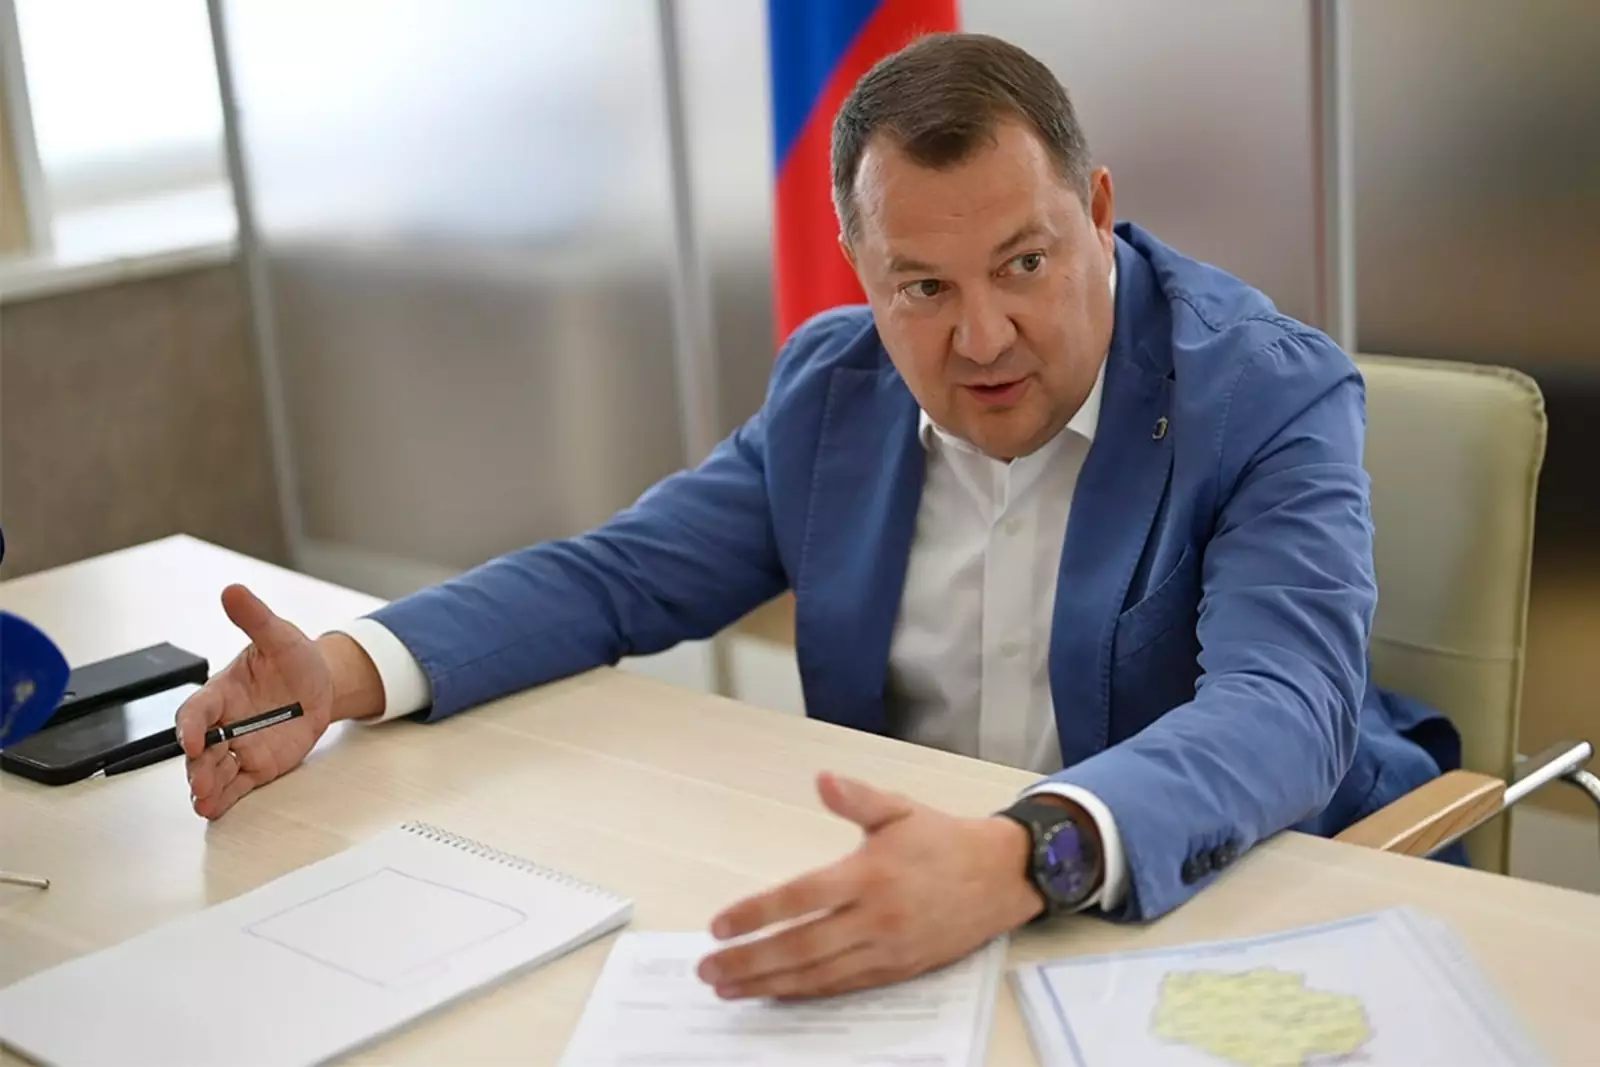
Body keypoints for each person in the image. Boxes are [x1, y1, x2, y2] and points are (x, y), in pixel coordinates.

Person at [177, 33, 1459, 1001]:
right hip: (922, 933)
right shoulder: (833, 387)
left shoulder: (1262, 393)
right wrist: (343, 668)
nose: (982, 335)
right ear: (861, 271)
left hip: (1205, 901)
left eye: (1025, 262)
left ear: (1099, 213)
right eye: (923, 287)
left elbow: (1282, 706)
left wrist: (1023, 854)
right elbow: (616, 578)